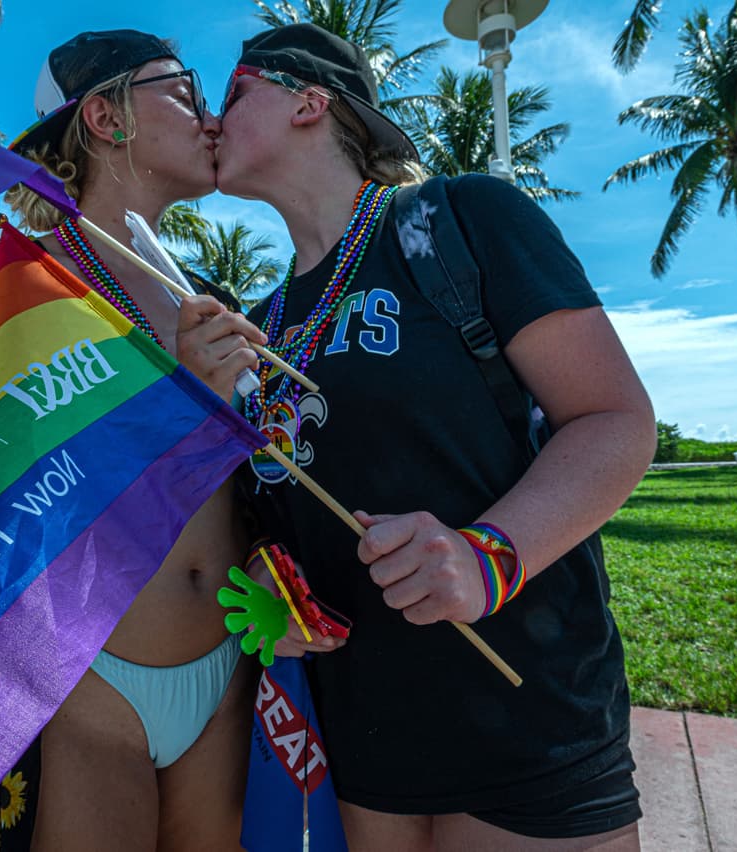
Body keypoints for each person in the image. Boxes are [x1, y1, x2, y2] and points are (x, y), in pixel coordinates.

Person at [212, 24, 657, 851]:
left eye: (234, 93)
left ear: (310, 102)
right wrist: (275, 582)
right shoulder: (260, 324)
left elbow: (614, 420)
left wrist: (489, 556)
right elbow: (287, 503)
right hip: (361, 748)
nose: (211, 117)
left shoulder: (459, 219)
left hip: (528, 729)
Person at [0, 30, 265, 851]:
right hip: (83, 680)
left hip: (227, 668)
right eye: (184, 90)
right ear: (107, 117)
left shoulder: (208, 294)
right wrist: (183, 406)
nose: (211, 115)